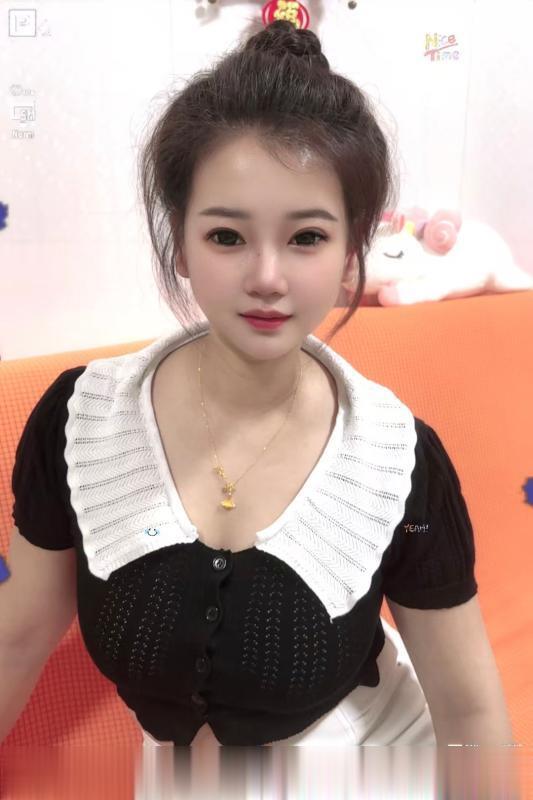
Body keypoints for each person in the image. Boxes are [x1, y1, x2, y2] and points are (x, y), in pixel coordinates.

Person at [8, 17, 513, 799]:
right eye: (227, 237)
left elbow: (468, 711)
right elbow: (18, 634)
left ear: (350, 251)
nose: (267, 277)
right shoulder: (82, 423)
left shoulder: (398, 462)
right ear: (180, 242)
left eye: (306, 237)